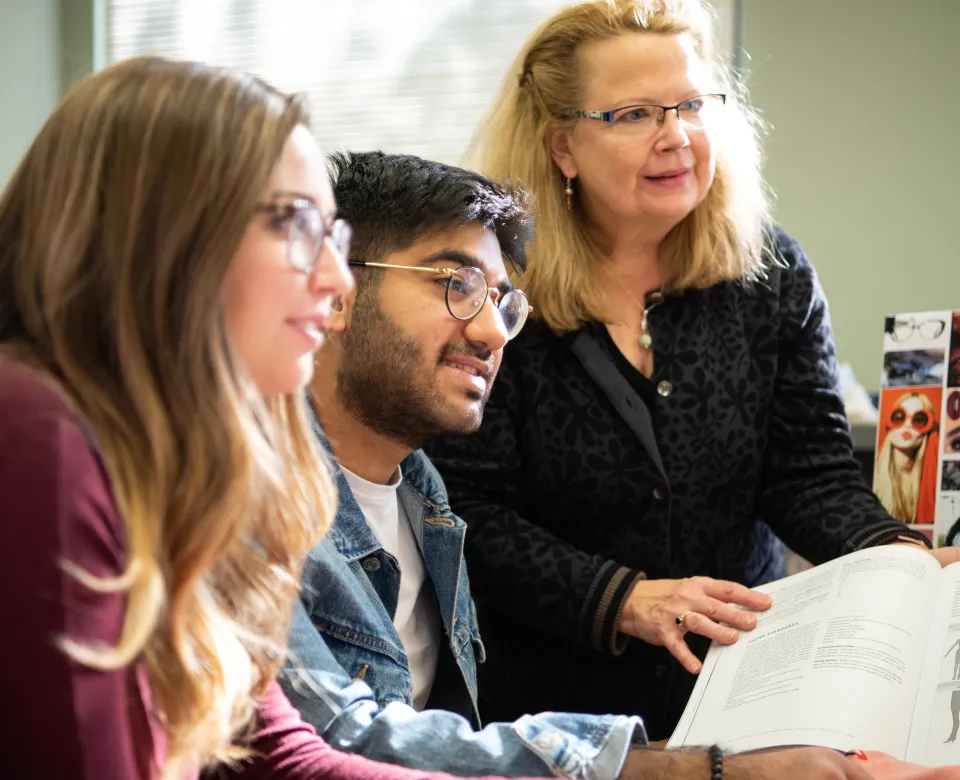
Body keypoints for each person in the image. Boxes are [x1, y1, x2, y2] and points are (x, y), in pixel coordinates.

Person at [0, 55, 554, 780]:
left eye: (335, 240)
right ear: (166, 230)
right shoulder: (39, 434)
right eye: (296, 226)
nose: (332, 281)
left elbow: (288, 757)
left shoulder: (184, 461)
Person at [422, 0, 956, 741]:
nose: (677, 136)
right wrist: (625, 599)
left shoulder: (771, 274)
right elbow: (465, 514)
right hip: (557, 720)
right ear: (561, 145)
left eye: (692, 105)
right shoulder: (497, 292)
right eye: (636, 113)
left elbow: (809, 474)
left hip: (745, 695)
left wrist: (898, 556)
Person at [280, 150, 872, 780]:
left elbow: (449, 742)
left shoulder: (425, 500)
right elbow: (348, 746)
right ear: (334, 292)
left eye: (503, 303)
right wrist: (707, 770)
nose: (493, 332)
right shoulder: (244, 509)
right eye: (456, 285)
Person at [874, 391, 941, 524]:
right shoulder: (871, 478)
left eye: (919, 419)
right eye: (899, 417)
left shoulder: (932, 484)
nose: (908, 424)